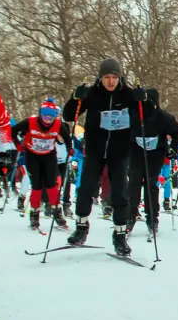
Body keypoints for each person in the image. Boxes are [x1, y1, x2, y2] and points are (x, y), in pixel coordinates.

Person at [63, 58, 147, 255]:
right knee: (86, 188)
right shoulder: (92, 94)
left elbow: (147, 116)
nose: (110, 81)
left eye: (114, 77)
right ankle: (81, 227)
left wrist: (144, 100)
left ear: (120, 77)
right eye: (107, 77)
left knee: (120, 192)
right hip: (95, 149)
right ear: (100, 78)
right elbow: (69, 115)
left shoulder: (128, 95)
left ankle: (119, 235)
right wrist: (75, 98)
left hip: (119, 151)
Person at [127, 89, 178, 236]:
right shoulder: (134, 114)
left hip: (156, 153)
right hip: (137, 152)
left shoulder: (163, 117)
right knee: (134, 182)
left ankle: (152, 219)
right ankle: (130, 216)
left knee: (151, 184)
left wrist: (173, 149)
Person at [12, 100, 72, 230]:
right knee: (37, 185)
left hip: (49, 155)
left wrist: (69, 149)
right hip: (32, 155)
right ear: (40, 115)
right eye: (45, 116)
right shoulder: (30, 122)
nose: (48, 120)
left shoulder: (58, 124)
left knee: (51, 184)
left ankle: (57, 212)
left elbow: (67, 138)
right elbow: (13, 130)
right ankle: (34, 215)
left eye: (51, 117)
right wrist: (18, 144)